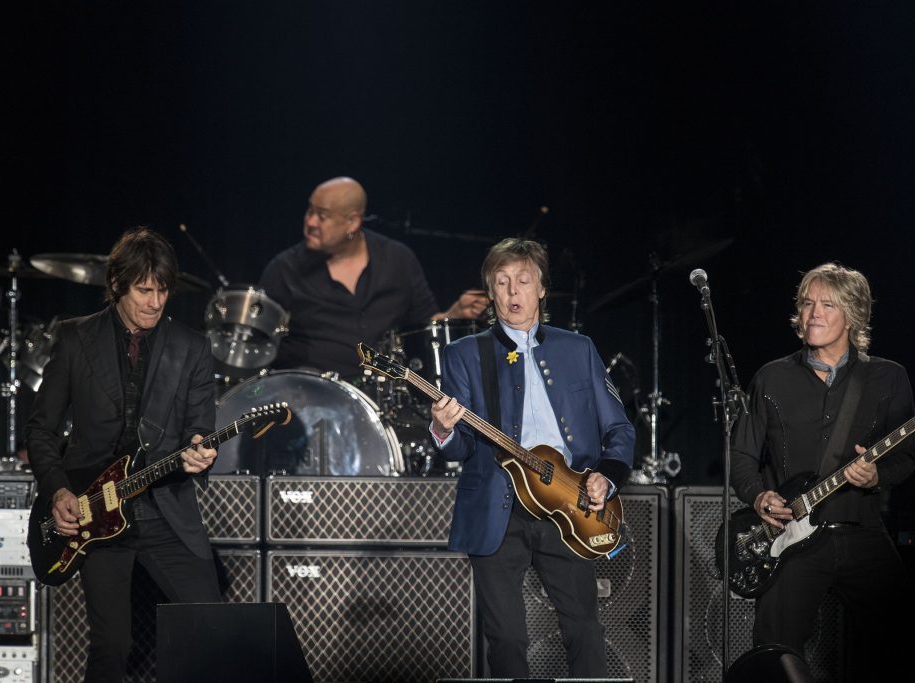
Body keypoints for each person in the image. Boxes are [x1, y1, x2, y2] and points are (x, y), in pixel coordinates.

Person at [429, 237, 635, 677]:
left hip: (569, 502)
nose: (513, 292)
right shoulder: (464, 354)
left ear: (542, 289)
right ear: (490, 291)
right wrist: (444, 429)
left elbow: (619, 429)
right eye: (502, 282)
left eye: (523, 281)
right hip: (498, 506)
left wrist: (606, 476)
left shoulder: (577, 348)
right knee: (506, 638)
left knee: (584, 629)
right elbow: (463, 447)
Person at [26, 227, 222, 683]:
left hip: (163, 509)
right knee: (112, 645)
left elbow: (199, 428)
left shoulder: (191, 347)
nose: (155, 303)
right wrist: (58, 491)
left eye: (163, 291)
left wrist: (199, 452)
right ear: (117, 284)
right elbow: (41, 428)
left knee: (213, 627)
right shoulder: (75, 338)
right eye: (144, 291)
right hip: (95, 511)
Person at [729, 262, 915, 682]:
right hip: (791, 539)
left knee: (904, 636)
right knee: (775, 652)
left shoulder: (887, 377)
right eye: (807, 303)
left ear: (852, 315)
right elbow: (741, 455)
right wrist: (758, 495)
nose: (813, 313)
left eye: (827, 305)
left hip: (860, 530)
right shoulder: (771, 378)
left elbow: (905, 459)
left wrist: (877, 476)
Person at [258, 176, 489, 377]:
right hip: (310, 395)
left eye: (322, 215)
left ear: (352, 222)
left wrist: (453, 315)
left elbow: (423, 324)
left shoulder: (398, 259)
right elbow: (258, 344)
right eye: (310, 211)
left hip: (382, 397)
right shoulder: (284, 270)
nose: (310, 222)